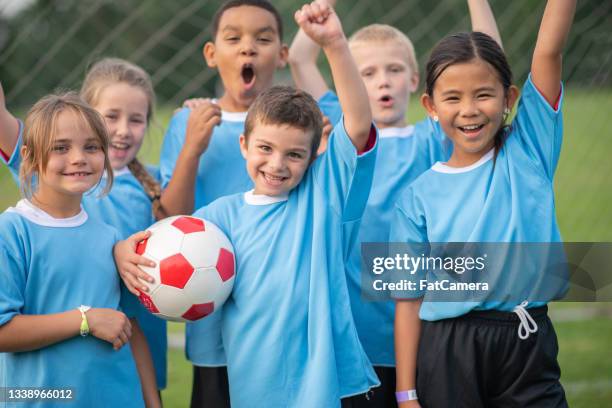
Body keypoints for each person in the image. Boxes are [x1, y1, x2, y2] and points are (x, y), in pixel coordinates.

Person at [116, 1, 381, 405]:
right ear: (244, 145)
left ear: (314, 159)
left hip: (327, 386)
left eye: (294, 155)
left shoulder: (320, 196)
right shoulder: (220, 216)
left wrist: (335, 44)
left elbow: (358, 124)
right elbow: (167, 237)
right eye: (265, 149)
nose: (277, 164)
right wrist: (123, 250)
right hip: (253, 388)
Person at [288, 1, 501, 405]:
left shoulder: (434, 136)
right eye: (367, 73)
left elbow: (487, 63)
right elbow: (300, 56)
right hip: (357, 327)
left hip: (424, 326)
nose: (382, 81)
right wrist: (322, 11)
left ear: (416, 80)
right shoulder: (346, 125)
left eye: (394, 70)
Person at [392, 0, 576, 406]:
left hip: (528, 340)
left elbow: (548, 50)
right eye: (453, 98)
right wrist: (406, 394)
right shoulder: (416, 198)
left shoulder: (529, 150)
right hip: (451, 348)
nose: (470, 110)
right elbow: (408, 300)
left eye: (483, 95)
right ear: (431, 107)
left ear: (509, 97)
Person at [0, 58, 169, 394]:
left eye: (91, 147)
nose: (78, 157)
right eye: (61, 148)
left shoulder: (111, 237)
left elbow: (129, 327)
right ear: (31, 158)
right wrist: (85, 320)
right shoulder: (12, 232)